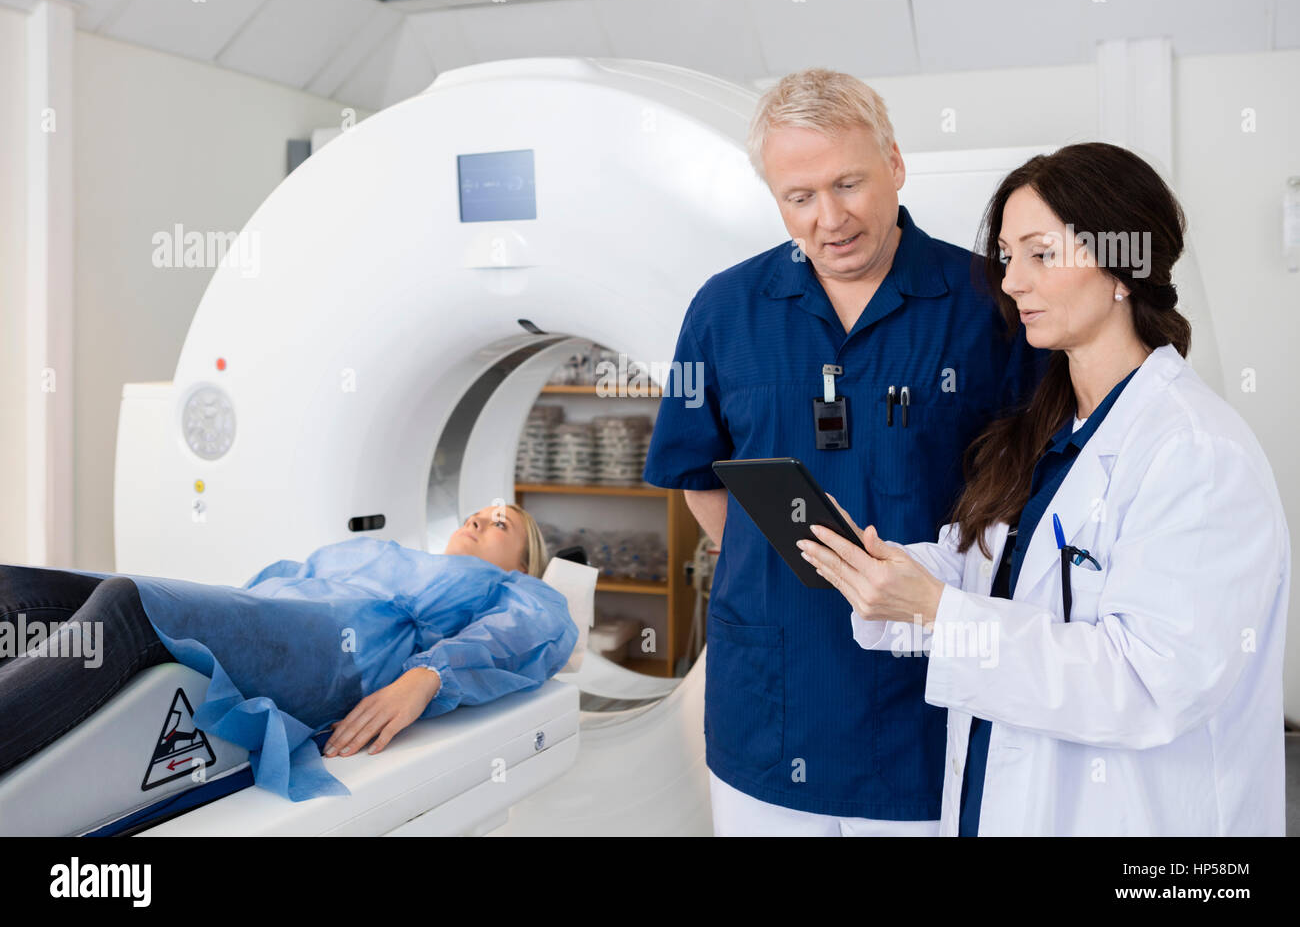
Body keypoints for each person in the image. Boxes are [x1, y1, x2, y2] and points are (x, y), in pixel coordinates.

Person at [798, 142, 1290, 835]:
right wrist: (890, 572)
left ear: (1123, 268)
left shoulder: (1195, 452)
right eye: (1007, 256)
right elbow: (992, 574)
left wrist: (941, 614)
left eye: (1041, 254)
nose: (1011, 282)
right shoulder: (1046, 430)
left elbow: (1148, 683)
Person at [643, 68, 1047, 835]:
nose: (830, 218)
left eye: (849, 183)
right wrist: (785, 568)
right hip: (771, 690)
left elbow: (1030, 483)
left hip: (922, 692)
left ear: (894, 163)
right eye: (799, 197)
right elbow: (696, 470)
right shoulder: (726, 309)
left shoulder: (989, 302)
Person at [0, 503, 577, 802]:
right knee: (21, 590)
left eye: (503, 522)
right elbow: (278, 585)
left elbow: (532, 631)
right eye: (479, 510)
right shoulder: (383, 552)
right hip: (269, 614)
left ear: (523, 564)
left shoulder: (516, 591)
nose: (482, 516)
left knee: (128, 609)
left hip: (331, 651)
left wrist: (426, 676)